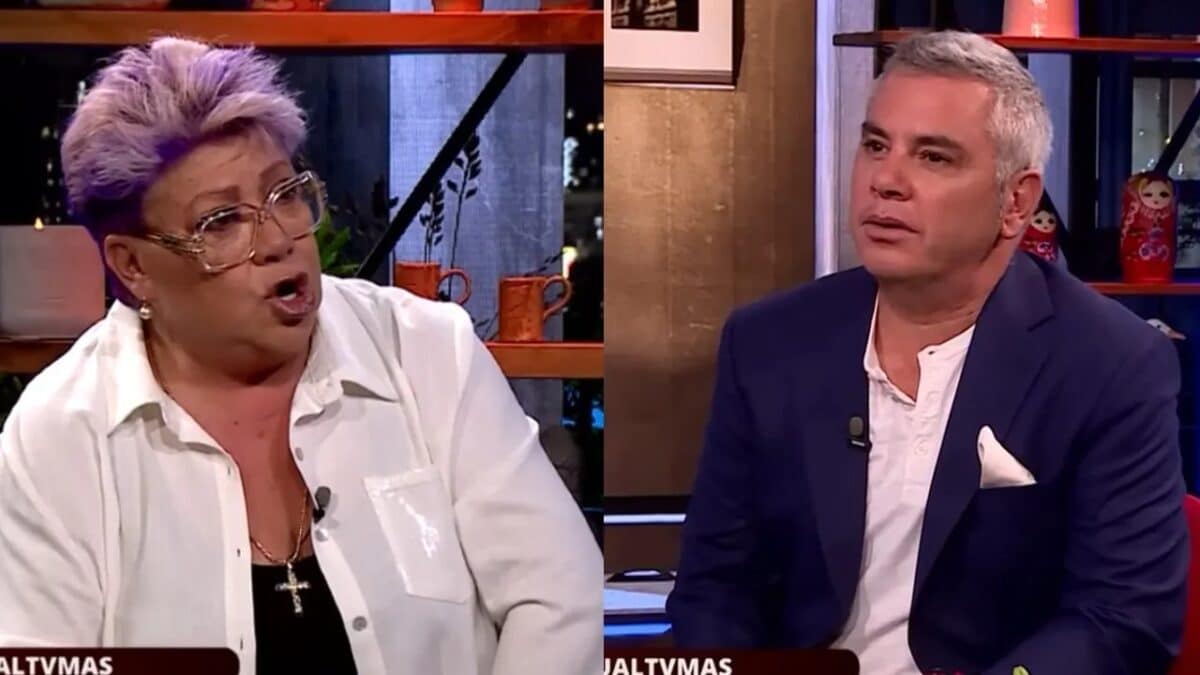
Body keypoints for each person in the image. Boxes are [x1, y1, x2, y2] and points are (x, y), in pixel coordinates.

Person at [0, 37, 601, 675]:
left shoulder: (427, 353)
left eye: (284, 193)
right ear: (133, 266)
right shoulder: (61, 432)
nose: (279, 239)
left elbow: (561, 600)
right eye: (223, 221)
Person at [666, 30, 1188, 675]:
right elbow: (716, 585)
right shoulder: (769, 342)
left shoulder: (1111, 362)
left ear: (1016, 202)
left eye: (933, 157)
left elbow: (1123, 618)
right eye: (875, 145)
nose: (885, 181)